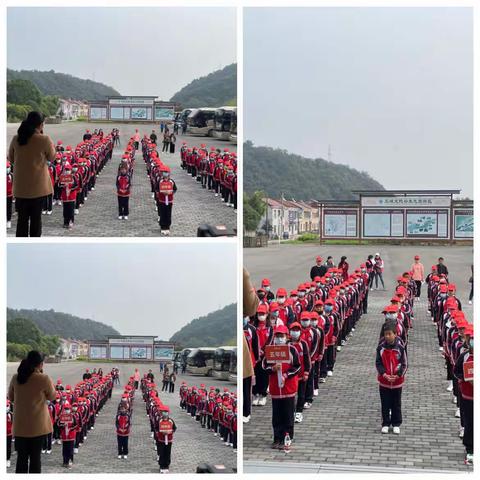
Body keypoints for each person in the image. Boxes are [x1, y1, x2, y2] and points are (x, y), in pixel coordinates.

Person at [8, 111, 56, 237]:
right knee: (36, 220)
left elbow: (11, 159)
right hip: (38, 188)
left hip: (20, 188)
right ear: (40, 125)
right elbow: (52, 158)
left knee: (21, 221)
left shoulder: (16, 138)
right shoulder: (44, 139)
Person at [8, 351, 56, 473]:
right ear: (40, 364)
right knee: (35, 460)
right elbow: (52, 396)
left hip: (20, 427)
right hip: (38, 427)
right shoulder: (43, 378)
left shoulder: (16, 377)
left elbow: (11, 397)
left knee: (21, 460)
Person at [262, 325, 300, 450]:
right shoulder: (271, 351)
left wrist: (286, 375)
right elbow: (264, 366)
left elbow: (297, 367)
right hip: (275, 389)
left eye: (281, 336)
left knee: (288, 415)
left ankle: (287, 438)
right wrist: (272, 369)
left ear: (286, 337)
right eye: (277, 336)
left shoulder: (292, 350)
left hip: (288, 388)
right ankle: (277, 438)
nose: (279, 339)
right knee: (276, 416)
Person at [375, 321, 407, 435]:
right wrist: (384, 374)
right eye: (385, 334)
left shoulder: (400, 347)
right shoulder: (381, 348)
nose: (387, 336)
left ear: (395, 334)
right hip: (384, 381)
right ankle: (385, 423)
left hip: (397, 381)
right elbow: (378, 363)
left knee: (396, 403)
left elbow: (404, 363)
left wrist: (398, 375)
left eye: (390, 334)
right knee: (385, 403)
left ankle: (396, 423)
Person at [157, 165, 177, 236]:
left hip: (169, 201)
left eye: (166, 172)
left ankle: (167, 227)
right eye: (164, 172)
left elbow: (175, 189)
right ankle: (162, 227)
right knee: (162, 214)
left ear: (169, 173)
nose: (165, 174)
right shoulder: (160, 181)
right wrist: (162, 192)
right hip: (162, 200)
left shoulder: (171, 181)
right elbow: (157, 189)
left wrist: (170, 192)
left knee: (168, 214)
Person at [156, 405, 177, 473]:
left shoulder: (171, 421)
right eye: (163, 412)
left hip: (169, 440)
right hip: (161, 440)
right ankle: (161, 466)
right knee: (162, 453)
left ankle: (166, 465)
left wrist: (170, 432)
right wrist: (161, 433)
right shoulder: (160, 420)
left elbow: (174, 428)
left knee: (167, 453)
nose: (164, 413)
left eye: (166, 412)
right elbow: (156, 428)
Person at [7, 161, 13, 229]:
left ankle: (8, 221)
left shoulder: (11, 175)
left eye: (8, 167)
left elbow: (14, 185)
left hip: (9, 195)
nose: (7, 168)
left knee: (9, 208)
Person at [7, 400, 13, 468]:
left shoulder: (11, 414)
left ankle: (8, 460)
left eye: (8, 406)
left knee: (8, 447)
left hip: (9, 434)